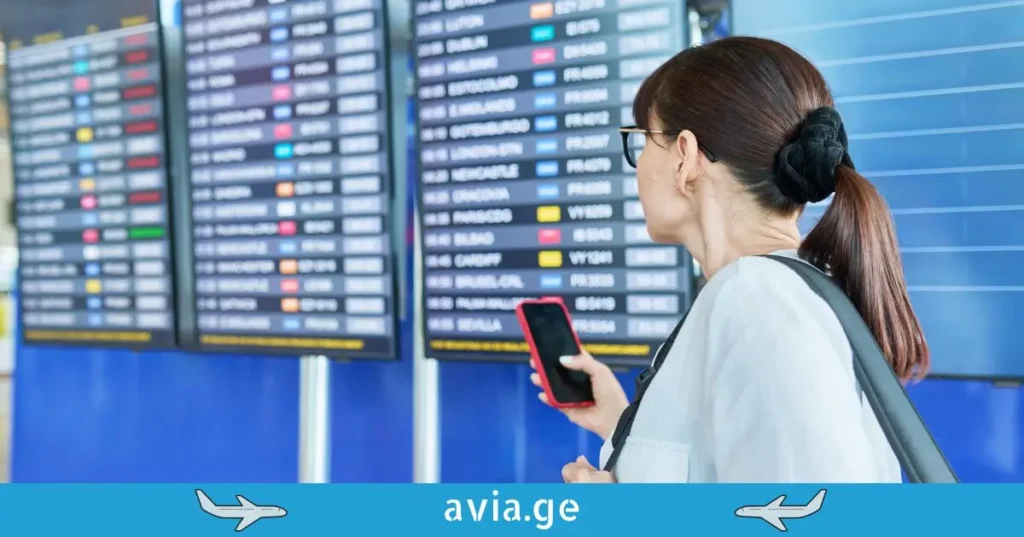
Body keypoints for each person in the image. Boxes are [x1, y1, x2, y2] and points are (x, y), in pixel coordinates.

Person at [530, 36, 929, 483]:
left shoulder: (758, 302)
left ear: (685, 157)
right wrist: (620, 422)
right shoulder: (780, 292)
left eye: (642, 141)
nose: (638, 164)